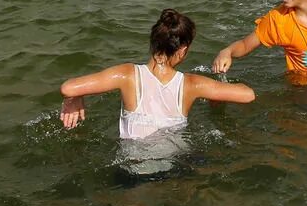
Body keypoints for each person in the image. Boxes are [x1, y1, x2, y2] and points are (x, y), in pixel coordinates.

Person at [60, 8, 255, 140]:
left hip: (133, 172)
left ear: (153, 41)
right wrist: (217, 92)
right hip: (177, 168)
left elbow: (68, 87)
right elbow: (247, 94)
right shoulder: (192, 84)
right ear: (183, 50)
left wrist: (75, 97)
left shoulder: (127, 75)